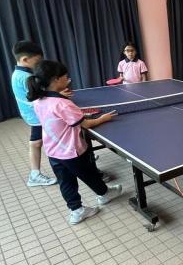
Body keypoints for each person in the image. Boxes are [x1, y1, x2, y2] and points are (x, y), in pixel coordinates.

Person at [27, 60, 123, 225]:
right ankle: (104, 194)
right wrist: (103, 118)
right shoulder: (63, 104)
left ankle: (76, 211)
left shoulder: (38, 100)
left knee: (66, 182)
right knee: (90, 174)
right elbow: (86, 124)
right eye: (66, 76)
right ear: (56, 79)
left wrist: (60, 96)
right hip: (72, 151)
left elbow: (55, 111)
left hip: (53, 152)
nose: (68, 79)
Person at [10, 41, 59, 187]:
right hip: (36, 115)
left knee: (37, 141)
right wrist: (58, 95)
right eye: (37, 61)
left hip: (32, 114)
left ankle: (35, 174)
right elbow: (38, 97)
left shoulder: (18, 73)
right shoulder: (25, 77)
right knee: (37, 142)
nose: (39, 64)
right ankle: (35, 175)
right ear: (25, 59)